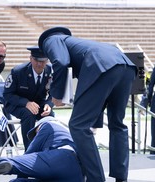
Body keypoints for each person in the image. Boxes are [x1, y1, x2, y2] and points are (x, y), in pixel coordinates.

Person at [38, 26, 137, 182]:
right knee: (117, 124)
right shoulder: (77, 44)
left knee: (78, 125)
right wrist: (94, 120)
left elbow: (61, 62)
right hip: (126, 65)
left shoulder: (51, 40)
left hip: (102, 66)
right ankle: (121, 177)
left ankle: (95, 179)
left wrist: (56, 95)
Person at [0, 116, 84, 181]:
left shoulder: (48, 125)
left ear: (39, 126)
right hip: (76, 174)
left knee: (16, 166)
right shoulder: (71, 135)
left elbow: (31, 153)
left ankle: (7, 163)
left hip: (60, 158)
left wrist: (18, 172)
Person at [3, 46, 54, 151]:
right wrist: (26, 103)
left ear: (47, 60)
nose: (39, 64)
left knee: (50, 115)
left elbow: (53, 93)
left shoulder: (50, 71)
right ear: (30, 58)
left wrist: (49, 104)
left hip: (38, 104)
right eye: (36, 60)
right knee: (28, 114)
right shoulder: (18, 72)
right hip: (16, 104)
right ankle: (30, 150)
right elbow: (7, 94)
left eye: (42, 61)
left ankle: (48, 148)